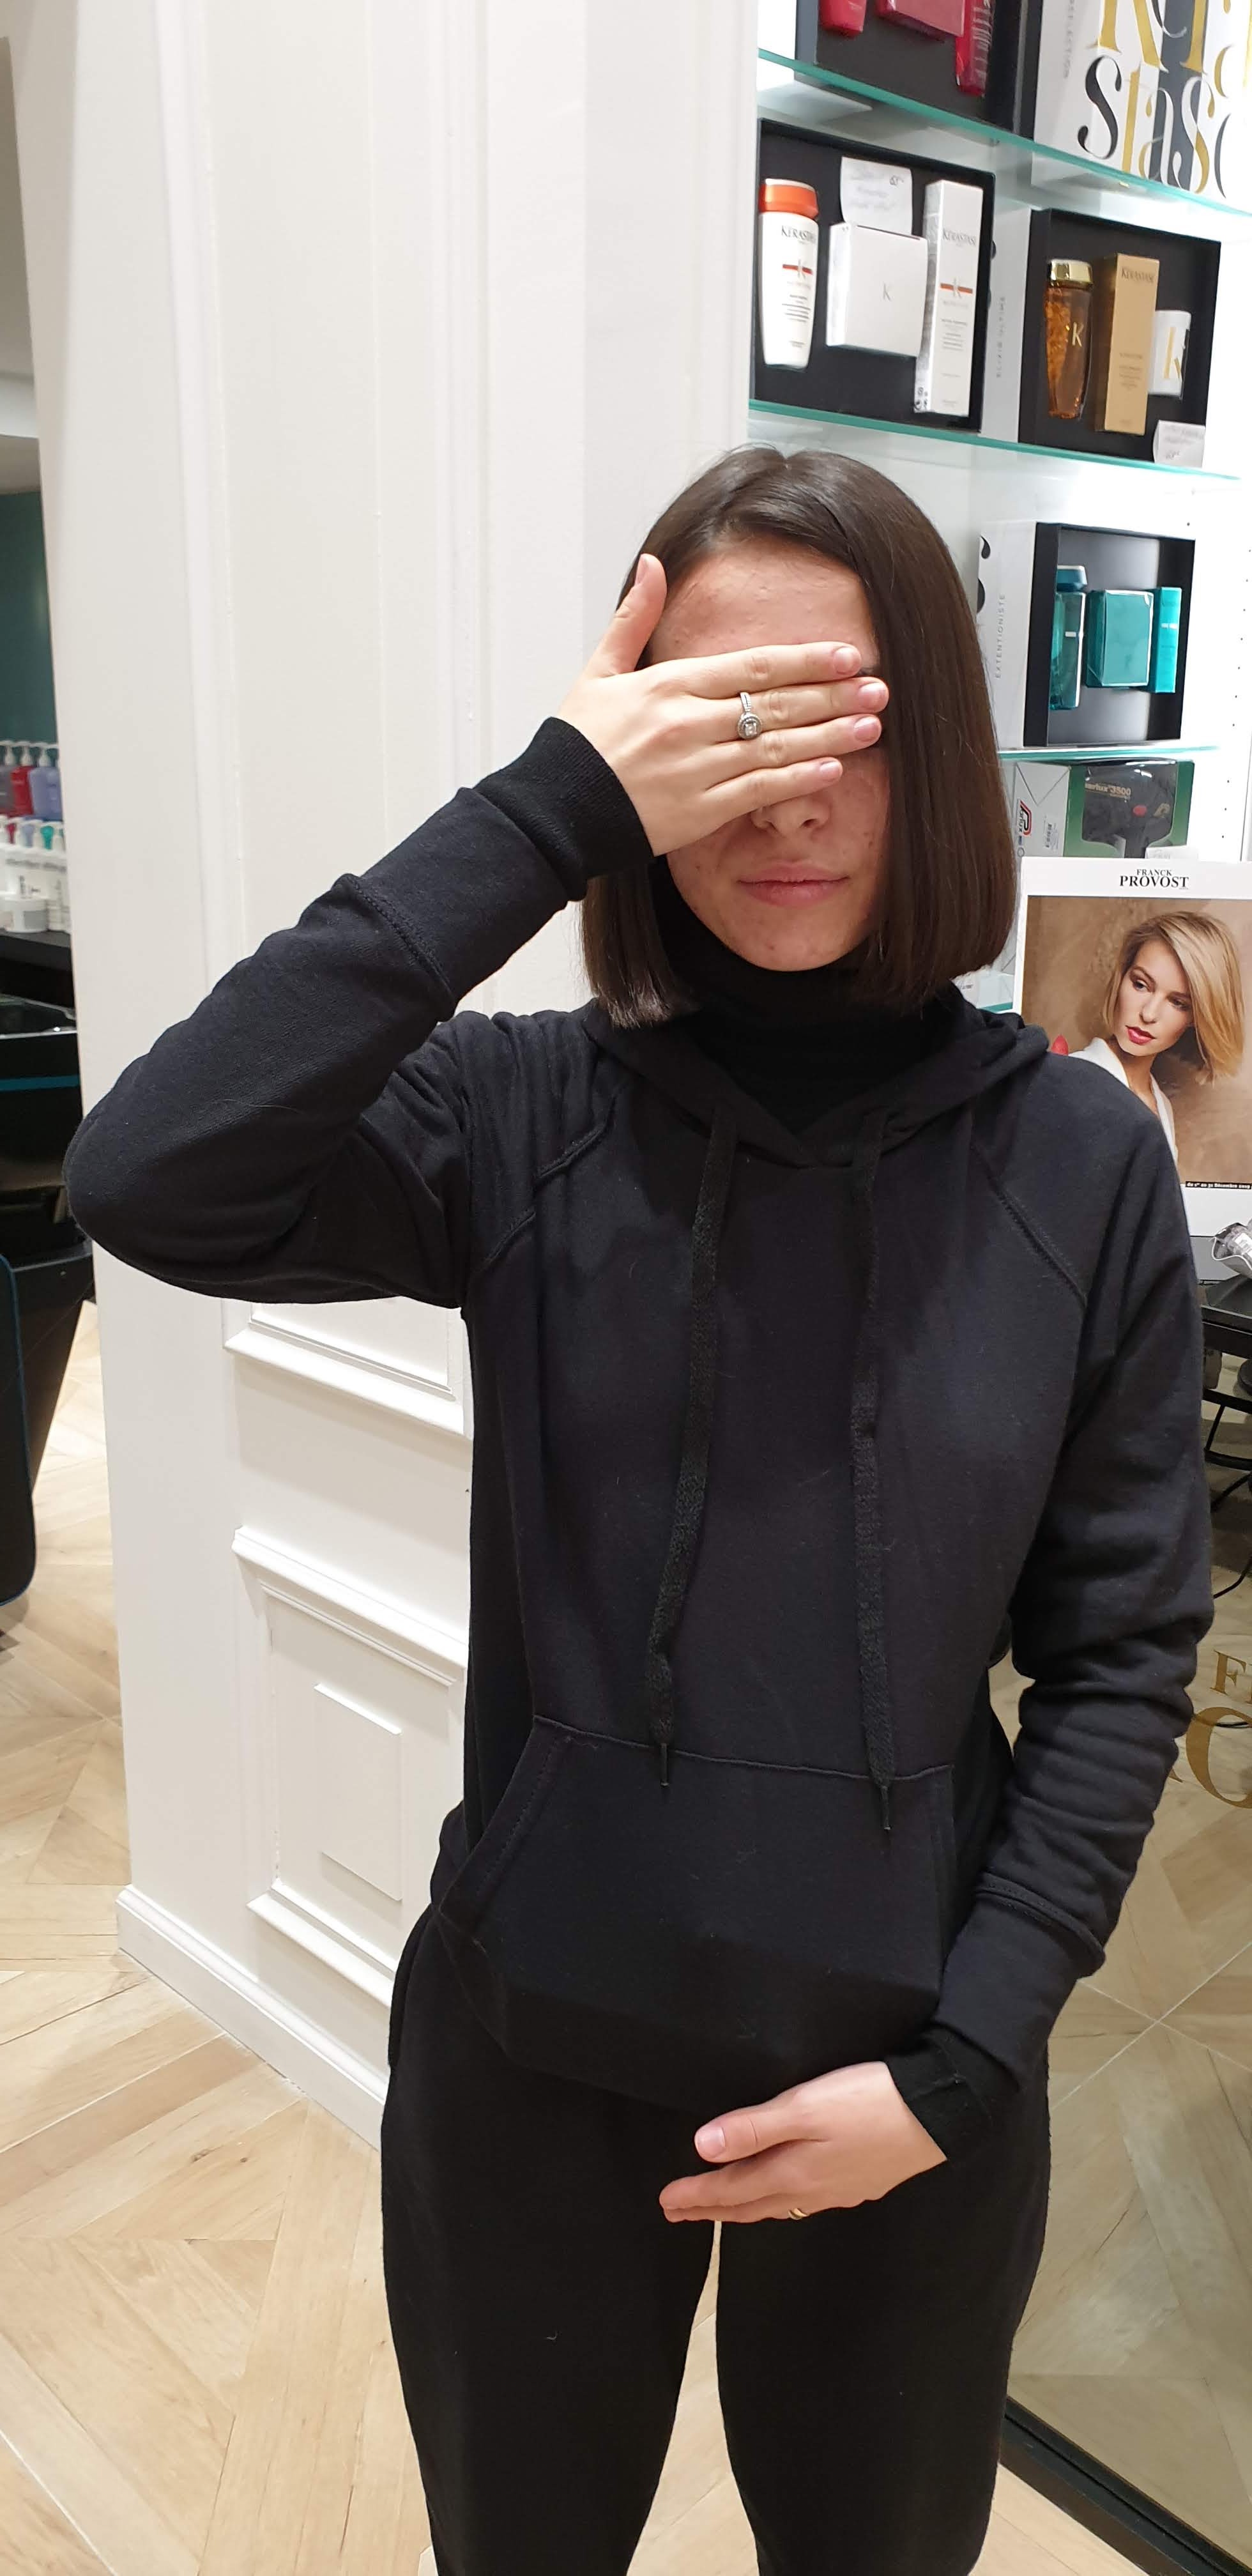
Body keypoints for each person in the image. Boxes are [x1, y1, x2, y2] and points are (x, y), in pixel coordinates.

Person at [60, 445, 1214, 2576]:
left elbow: (1125, 1652)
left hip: (909, 2076)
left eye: (837, 718)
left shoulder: (1078, 1165)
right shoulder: (525, 1114)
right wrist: (544, 809)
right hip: (530, 2052)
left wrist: (960, 2072)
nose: (782, 794)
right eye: (716, 720)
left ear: (938, 748)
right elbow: (149, 1173)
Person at [1067, 910, 1245, 1165]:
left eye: (1178, 1003)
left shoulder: (1161, 1106)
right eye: (1140, 985)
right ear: (1122, 977)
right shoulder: (1071, 1082)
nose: (1149, 1014)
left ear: (1196, 1017)